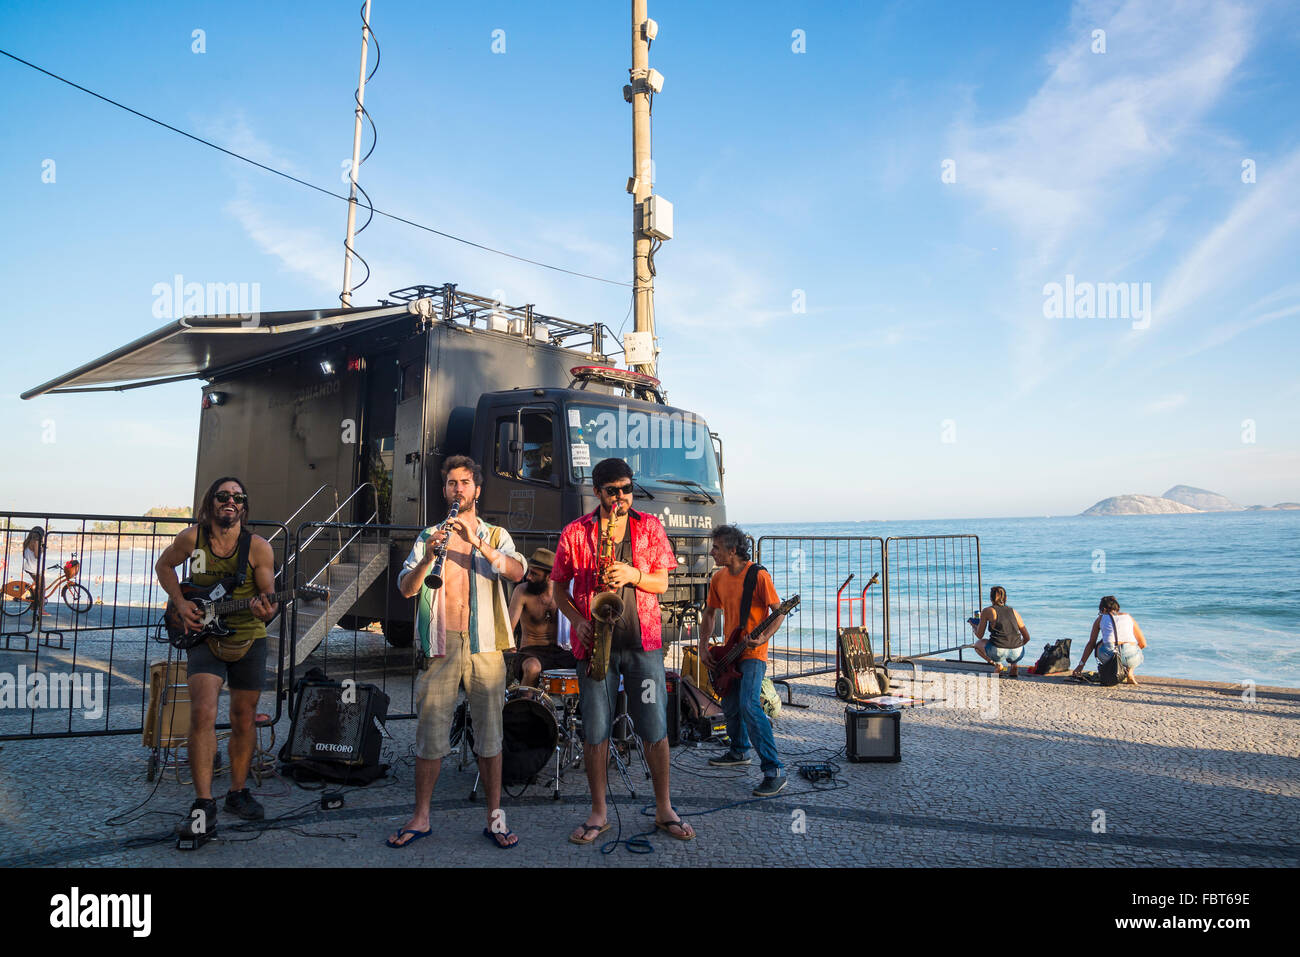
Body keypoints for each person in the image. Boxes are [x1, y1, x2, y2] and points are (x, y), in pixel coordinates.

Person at [552, 457, 695, 844]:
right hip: (594, 644)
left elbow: (663, 582)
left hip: (642, 643)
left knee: (654, 726)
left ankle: (664, 808)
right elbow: (557, 589)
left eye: (627, 489)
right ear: (597, 492)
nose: (621, 497)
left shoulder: (649, 526)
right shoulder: (575, 532)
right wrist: (578, 620)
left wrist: (633, 575)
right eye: (613, 491)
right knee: (596, 730)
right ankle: (598, 812)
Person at [388, 455, 526, 850]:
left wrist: (476, 540)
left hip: (485, 645)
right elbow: (407, 588)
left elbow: (517, 571)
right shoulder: (429, 534)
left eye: (465, 483)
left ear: (477, 490)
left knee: (490, 735)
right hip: (440, 642)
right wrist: (431, 553)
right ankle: (421, 816)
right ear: (445, 489)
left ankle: (495, 818)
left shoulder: (495, 534)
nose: (458, 489)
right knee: (430, 732)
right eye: (452, 483)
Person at [156, 477, 279, 838]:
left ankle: (237, 793)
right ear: (211, 502)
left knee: (243, 718)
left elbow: (269, 599)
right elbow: (165, 567)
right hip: (202, 637)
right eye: (223, 496)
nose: (230, 501)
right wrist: (181, 603)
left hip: (247, 639)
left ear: (244, 506)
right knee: (203, 713)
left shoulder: (257, 548)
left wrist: (264, 612)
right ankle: (204, 803)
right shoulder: (191, 539)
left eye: (237, 497)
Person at [698, 525, 788, 795]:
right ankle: (738, 750)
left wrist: (763, 638)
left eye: (716, 548)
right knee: (731, 704)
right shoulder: (718, 579)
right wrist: (704, 647)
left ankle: (773, 770)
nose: (712, 552)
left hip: (753, 654)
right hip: (730, 652)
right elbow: (710, 614)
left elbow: (779, 612)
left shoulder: (758, 576)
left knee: (749, 704)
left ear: (732, 550)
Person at [509, 548, 576, 687]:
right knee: (533, 668)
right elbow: (509, 628)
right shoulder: (522, 591)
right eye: (529, 572)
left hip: (561, 651)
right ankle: (524, 704)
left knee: (585, 665)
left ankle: (579, 709)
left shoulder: (565, 593)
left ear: (550, 576)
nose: (528, 577)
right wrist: (511, 652)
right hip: (531, 651)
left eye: (534, 574)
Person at [1073, 595, 1147, 685]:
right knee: (1135, 648)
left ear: (1103, 609)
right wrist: (1128, 653)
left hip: (1109, 656)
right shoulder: (1128, 617)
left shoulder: (1100, 619)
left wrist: (1080, 666)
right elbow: (1143, 644)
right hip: (1130, 658)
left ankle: (1112, 669)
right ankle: (1130, 673)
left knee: (1098, 644)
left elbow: (1091, 644)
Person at [969, 585, 1030, 678]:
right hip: (1018, 652)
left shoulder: (987, 610)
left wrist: (974, 626)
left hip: (998, 651)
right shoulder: (1014, 611)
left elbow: (979, 635)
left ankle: (998, 665)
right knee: (1012, 642)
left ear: (991, 598)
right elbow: (1027, 637)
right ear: (1005, 597)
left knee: (977, 644)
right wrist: (1017, 645)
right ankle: (1014, 665)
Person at [21, 526, 47, 615]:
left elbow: (24, 555)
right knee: (42, 588)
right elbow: (37, 555)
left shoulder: (27, 542)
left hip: (29, 567)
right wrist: (42, 549)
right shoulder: (36, 542)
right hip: (34, 569)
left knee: (37, 588)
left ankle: (33, 605)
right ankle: (41, 610)